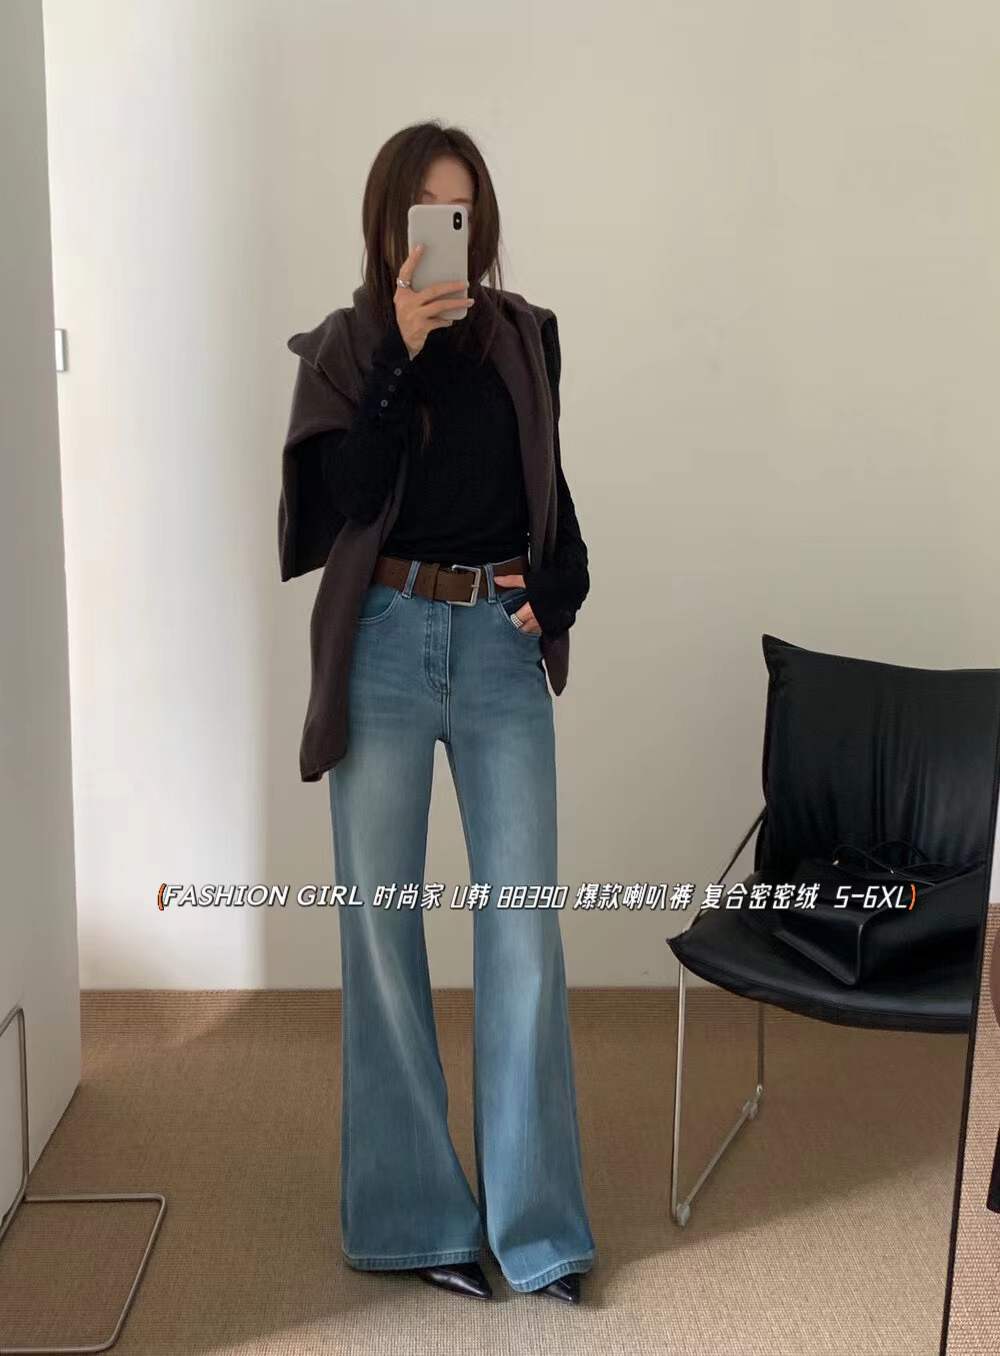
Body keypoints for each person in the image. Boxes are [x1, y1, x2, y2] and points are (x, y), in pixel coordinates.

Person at [290, 122, 596, 1304]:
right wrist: (397, 361)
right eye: (424, 212)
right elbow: (343, 503)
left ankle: (539, 1229)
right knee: (381, 928)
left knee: (522, 930)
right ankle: (413, 1217)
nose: (442, 235)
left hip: (495, 650)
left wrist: (557, 591)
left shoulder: (522, 338)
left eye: (459, 213)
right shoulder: (345, 348)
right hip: (380, 643)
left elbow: (551, 496)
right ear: (387, 227)